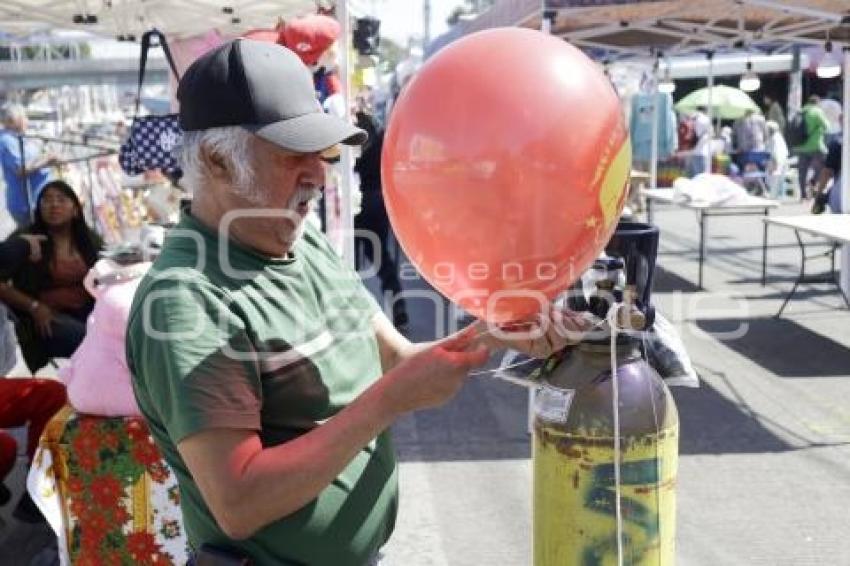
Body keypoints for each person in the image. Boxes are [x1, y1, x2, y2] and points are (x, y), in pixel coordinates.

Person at [126, 39, 585, 565]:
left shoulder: (302, 241)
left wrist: (492, 331)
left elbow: (392, 358)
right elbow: (241, 501)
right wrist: (388, 402)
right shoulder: (186, 298)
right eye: (292, 154)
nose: (319, 175)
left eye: (321, 153)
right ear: (217, 161)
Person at [0, 180, 102, 373]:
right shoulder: (26, 240)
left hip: (88, 309)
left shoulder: (87, 239)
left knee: (117, 332)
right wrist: (33, 306)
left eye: (61, 199)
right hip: (46, 318)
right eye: (46, 200)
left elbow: (106, 266)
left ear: (75, 209)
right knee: (89, 340)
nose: (54, 205)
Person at [353, 108, 408, 329]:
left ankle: (352, 312)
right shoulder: (381, 138)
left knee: (351, 262)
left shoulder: (353, 138)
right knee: (382, 258)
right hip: (378, 201)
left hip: (358, 201)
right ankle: (398, 306)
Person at [0, 102, 57, 227]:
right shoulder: (7, 141)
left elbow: (32, 158)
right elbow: (21, 169)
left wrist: (45, 154)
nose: (27, 121)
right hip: (27, 206)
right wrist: (47, 160)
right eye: (24, 117)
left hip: (38, 202)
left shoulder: (18, 137)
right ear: (13, 121)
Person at [793, 95, 831, 199]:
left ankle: (803, 194)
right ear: (817, 103)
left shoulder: (800, 111)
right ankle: (813, 182)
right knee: (823, 168)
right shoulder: (817, 111)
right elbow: (827, 126)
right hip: (816, 146)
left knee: (802, 171)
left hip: (800, 146)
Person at [811, 136, 843, 214]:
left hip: (841, 195)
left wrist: (818, 197)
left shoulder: (838, 143)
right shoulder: (838, 143)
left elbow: (827, 173)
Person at [765, 120, 789, 199]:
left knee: (773, 177)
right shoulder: (776, 137)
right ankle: (775, 194)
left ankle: (773, 195)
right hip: (779, 162)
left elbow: (776, 153)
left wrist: (774, 164)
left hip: (777, 163)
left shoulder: (774, 138)